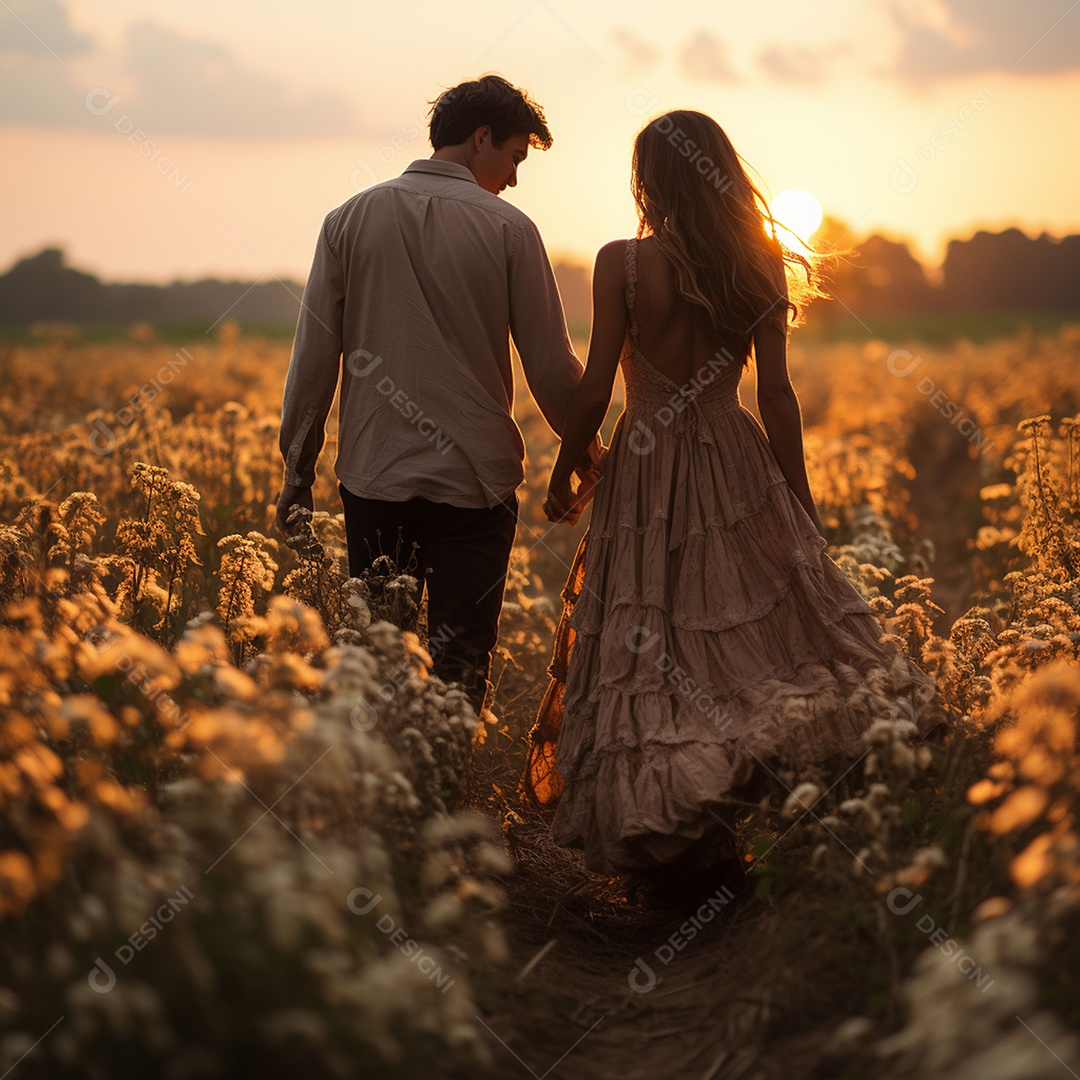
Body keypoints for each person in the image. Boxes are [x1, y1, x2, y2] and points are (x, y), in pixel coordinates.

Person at [520, 109, 946, 897]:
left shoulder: (620, 263)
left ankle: (683, 861)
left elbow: (594, 388)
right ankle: (760, 817)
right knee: (758, 636)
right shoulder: (758, 262)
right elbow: (776, 397)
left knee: (651, 647)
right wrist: (802, 508)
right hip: (734, 456)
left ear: (649, 181)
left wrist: (563, 473)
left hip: (646, 468)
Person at [276, 74, 603, 714]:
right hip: (475, 483)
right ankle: (444, 788)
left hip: (374, 475)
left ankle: (383, 791)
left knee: (377, 653)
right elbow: (552, 368)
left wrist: (296, 467)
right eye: (514, 157)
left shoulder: (347, 220)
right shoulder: (512, 231)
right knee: (461, 656)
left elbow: (314, 358)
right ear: (481, 138)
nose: (513, 178)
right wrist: (593, 457)